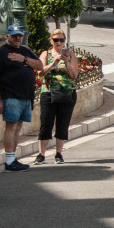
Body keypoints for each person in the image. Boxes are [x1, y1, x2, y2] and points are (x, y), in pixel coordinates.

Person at [0, 23, 45, 172]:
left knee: (18, 127)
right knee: (11, 126)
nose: (18, 38)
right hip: (11, 95)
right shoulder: (1, 53)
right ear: (7, 36)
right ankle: (9, 160)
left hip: (26, 96)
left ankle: (13, 158)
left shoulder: (25, 51)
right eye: (14, 36)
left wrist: (23, 59)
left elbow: (39, 65)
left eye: (20, 35)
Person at [35, 29, 80, 165]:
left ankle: (58, 154)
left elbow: (74, 75)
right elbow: (40, 73)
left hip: (67, 93)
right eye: (56, 40)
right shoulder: (45, 54)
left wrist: (66, 63)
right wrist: (53, 63)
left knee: (62, 123)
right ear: (51, 41)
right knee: (45, 123)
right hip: (48, 92)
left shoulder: (69, 54)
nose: (59, 43)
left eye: (61, 40)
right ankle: (41, 154)